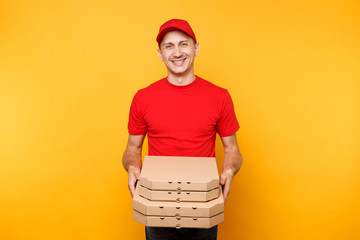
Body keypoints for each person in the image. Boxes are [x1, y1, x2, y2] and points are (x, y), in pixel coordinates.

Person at [122, 19, 243, 240]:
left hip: (203, 205)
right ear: (160, 53)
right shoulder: (143, 98)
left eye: (183, 44)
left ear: (196, 48)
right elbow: (132, 148)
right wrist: (132, 167)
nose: (177, 52)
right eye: (169, 46)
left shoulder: (220, 97)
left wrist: (228, 171)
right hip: (157, 205)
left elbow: (233, 149)